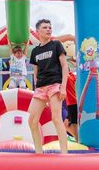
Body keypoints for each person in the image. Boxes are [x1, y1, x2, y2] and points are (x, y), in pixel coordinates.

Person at [28, 19, 69, 154]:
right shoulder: (35, 51)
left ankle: (64, 153)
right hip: (40, 88)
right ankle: (38, 152)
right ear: (38, 31)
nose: (49, 29)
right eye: (45, 27)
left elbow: (64, 66)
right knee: (32, 120)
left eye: (50, 27)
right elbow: (35, 71)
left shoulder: (56, 44)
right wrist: (36, 89)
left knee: (56, 118)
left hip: (55, 84)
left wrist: (63, 87)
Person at [64, 69, 78, 142]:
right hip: (73, 103)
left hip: (72, 104)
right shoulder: (72, 76)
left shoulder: (66, 78)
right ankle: (76, 138)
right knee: (66, 125)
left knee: (72, 125)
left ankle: (77, 139)